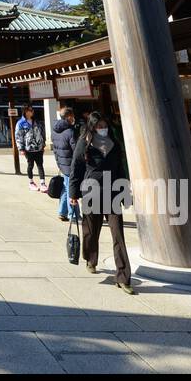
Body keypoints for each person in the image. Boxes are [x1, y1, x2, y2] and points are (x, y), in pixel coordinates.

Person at [69, 111, 134, 294]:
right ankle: (90, 258)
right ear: (92, 126)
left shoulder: (114, 143)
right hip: (91, 191)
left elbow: (121, 168)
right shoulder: (84, 143)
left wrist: (125, 191)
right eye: (99, 126)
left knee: (118, 234)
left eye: (104, 126)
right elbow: (76, 169)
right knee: (91, 231)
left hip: (113, 192)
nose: (102, 129)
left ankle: (123, 276)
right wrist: (73, 194)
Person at [51, 106, 79, 221]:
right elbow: (76, 150)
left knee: (66, 188)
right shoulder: (70, 132)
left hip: (62, 164)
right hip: (70, 164)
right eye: (72, 116)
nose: (74, 118)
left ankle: (62, 211)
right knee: (71, 189)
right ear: (68, 117)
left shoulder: (54, 131)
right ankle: (73, 214)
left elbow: (55, 149)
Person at [16, 105, 46, 191]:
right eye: (29, 110)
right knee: (30, 165)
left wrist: (43, 144)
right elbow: (18, 136)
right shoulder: (21, 123)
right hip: (28, 149)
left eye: (32, 110)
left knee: (40, 165)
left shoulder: (37, 122)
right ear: (24, 111)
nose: (31, 112)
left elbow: (42, 133)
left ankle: (43, 183)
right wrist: (21, 148)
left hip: (39, 148)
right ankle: (31, 182)